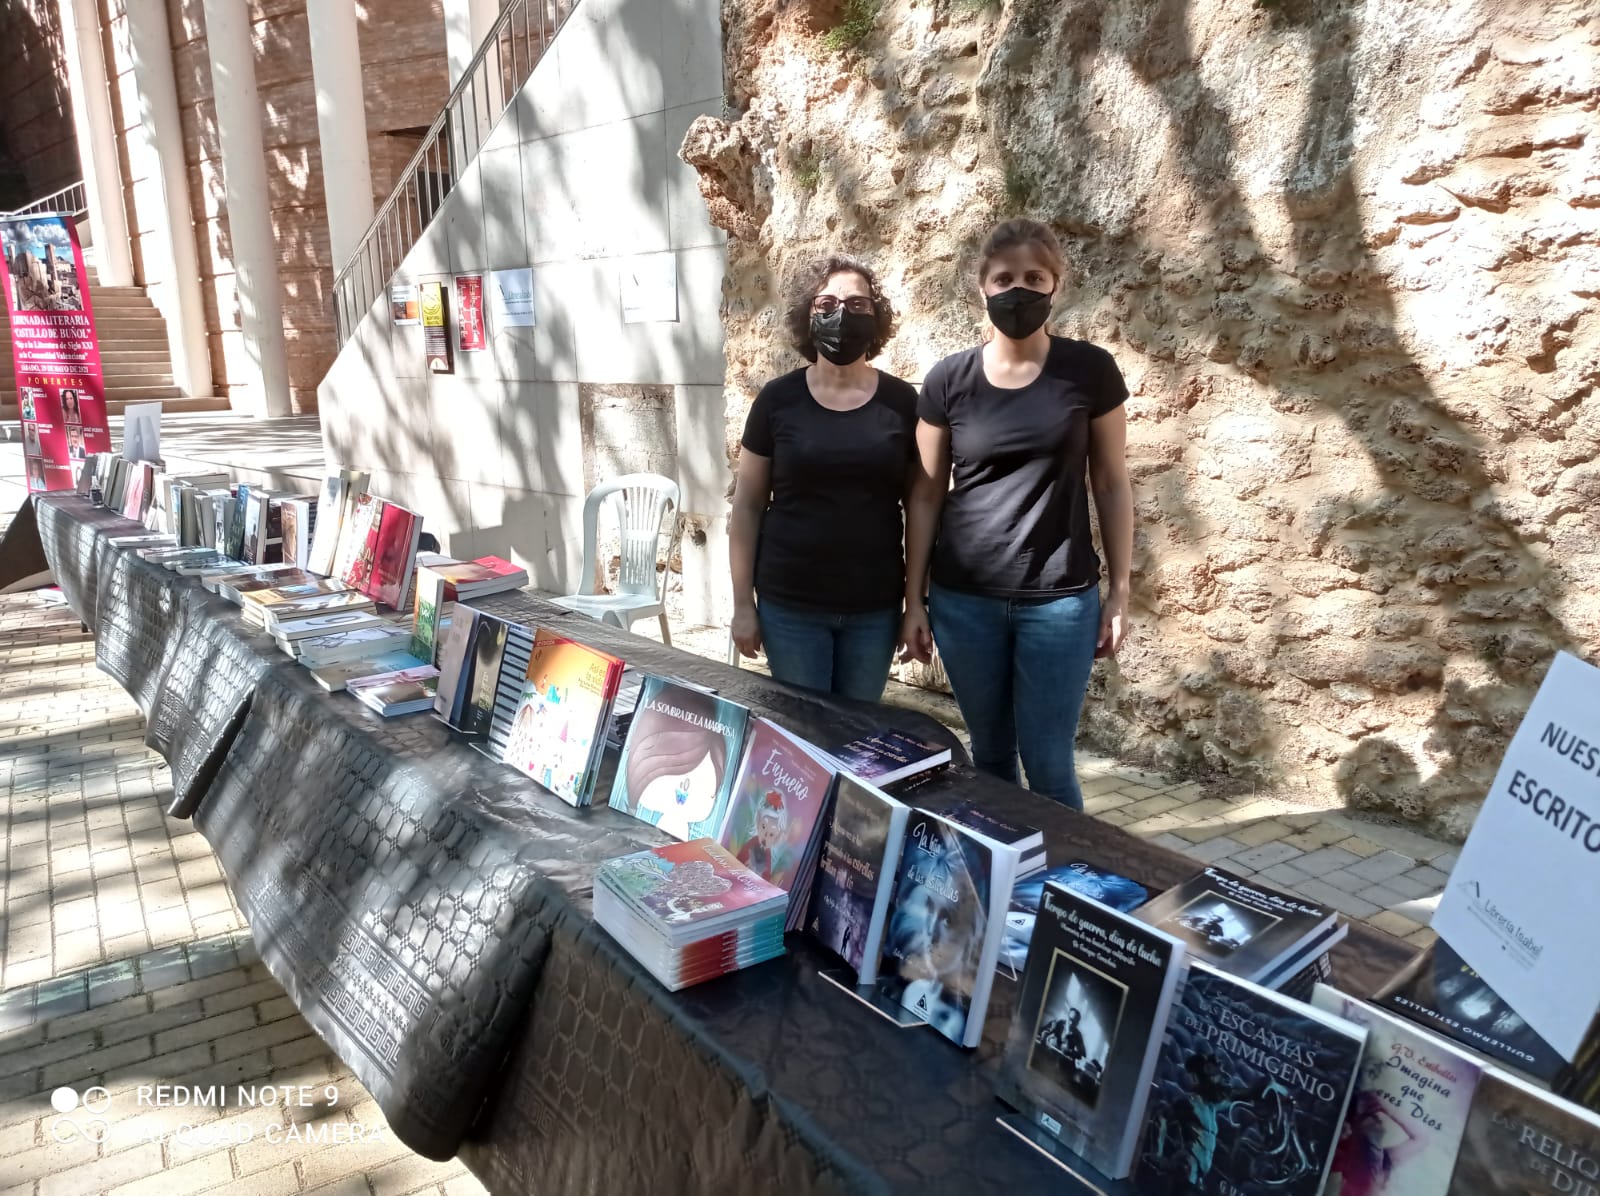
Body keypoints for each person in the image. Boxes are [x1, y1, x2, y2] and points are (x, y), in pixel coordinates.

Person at [902, 219, 1134, 811]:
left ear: (1057, 285)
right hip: (964, 602)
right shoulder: (948, 379)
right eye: (1004, 279)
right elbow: (925, 493)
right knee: (990, 756)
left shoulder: (1090, 371)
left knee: (1049, 764)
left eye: (1034, 278)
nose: (1018, 290)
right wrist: (914, 598)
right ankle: (997, 866)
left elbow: (1111, 482)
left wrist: (1120, 591)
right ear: (982, 287)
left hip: (1059, 601)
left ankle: (1067, 868)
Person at [729, 254, 919, 702]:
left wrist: (915, 603)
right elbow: (748, 505)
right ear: (807, 315)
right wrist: (742, 604)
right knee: (804, 731)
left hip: (874, 607)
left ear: (875, 317)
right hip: (790, 605)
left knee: (858, 730)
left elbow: (921, 507)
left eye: (857, 304)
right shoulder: (777, 400)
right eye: (827, 303)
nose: (842, 314)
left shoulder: (903, 403)